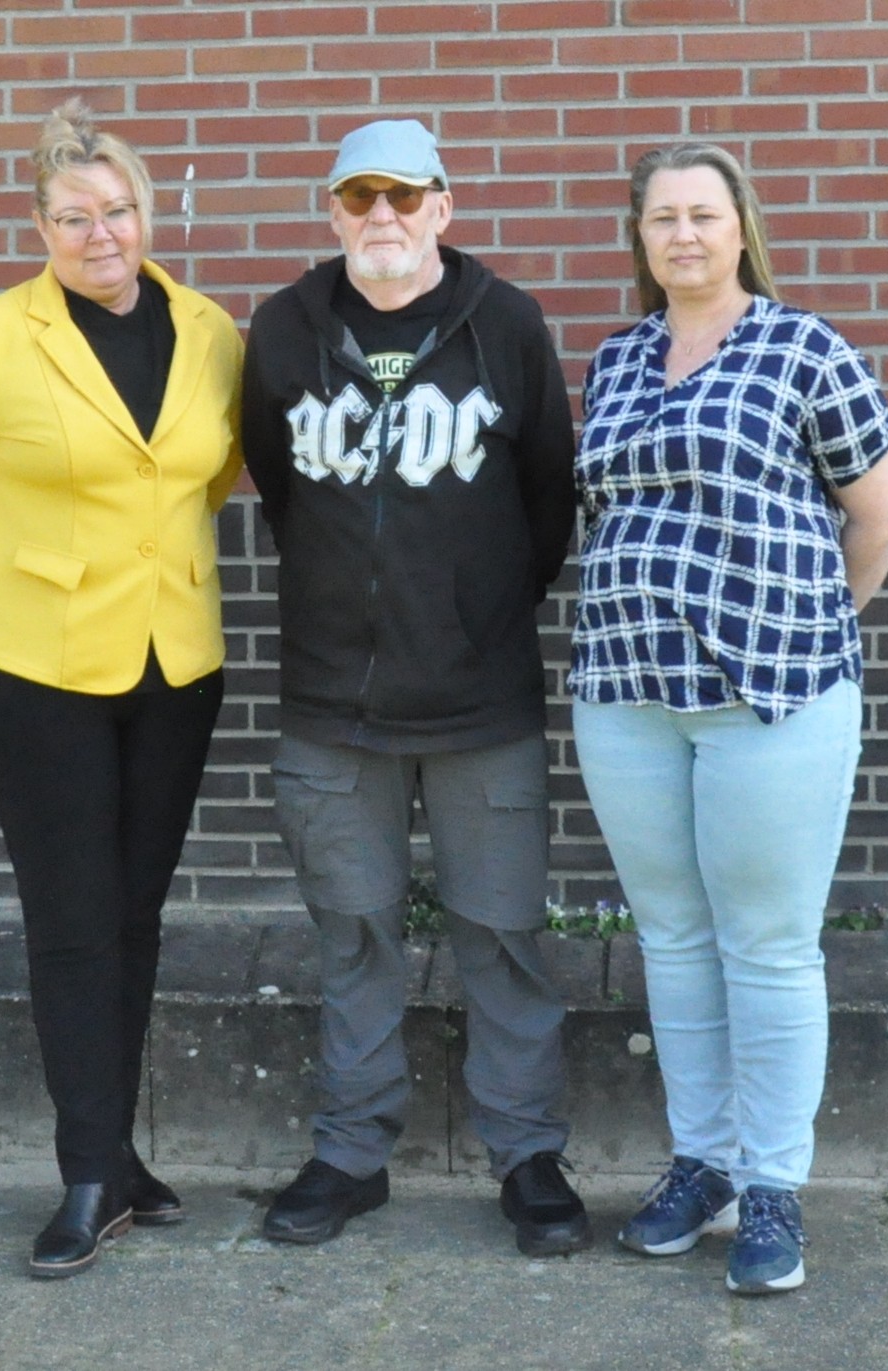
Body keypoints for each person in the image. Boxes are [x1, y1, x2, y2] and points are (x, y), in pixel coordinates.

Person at [0, 98, 243, 1279]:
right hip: (30, 668)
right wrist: (26, 573)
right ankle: (88, 1173)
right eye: (75, 216)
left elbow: (209, 477)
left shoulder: (208, 331)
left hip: (172, 662)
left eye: (120, 209)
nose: (103, 234)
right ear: (41, 228)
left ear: (150, 213)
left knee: (134, 911)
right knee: (75, 915)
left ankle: (119, 1156)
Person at [569, 142, 888, 1295]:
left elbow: (883, 506)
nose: (684, 235)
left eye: (703, 215)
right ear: (642, 238)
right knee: (672, 939)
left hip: (774, 693)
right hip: (628, 691)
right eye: (663, 217)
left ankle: (772, 1187)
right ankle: (703, 1164)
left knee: (765, 944)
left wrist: (812, 620)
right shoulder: (617, 360)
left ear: (740, 228)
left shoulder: (805, 348)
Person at [242, 118, 589, 1257]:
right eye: (360, 197)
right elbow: (283, 489)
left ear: (444, 205)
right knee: (353, 936)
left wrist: (467, 610)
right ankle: (351, 1154)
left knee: (503, 935)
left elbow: (548, 496)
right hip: (331, 704)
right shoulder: (284, 329)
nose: (381, 216)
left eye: (404, 194)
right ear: (332, 212)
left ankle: (528, 1156)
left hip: (482, 705)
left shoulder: (508, 323)